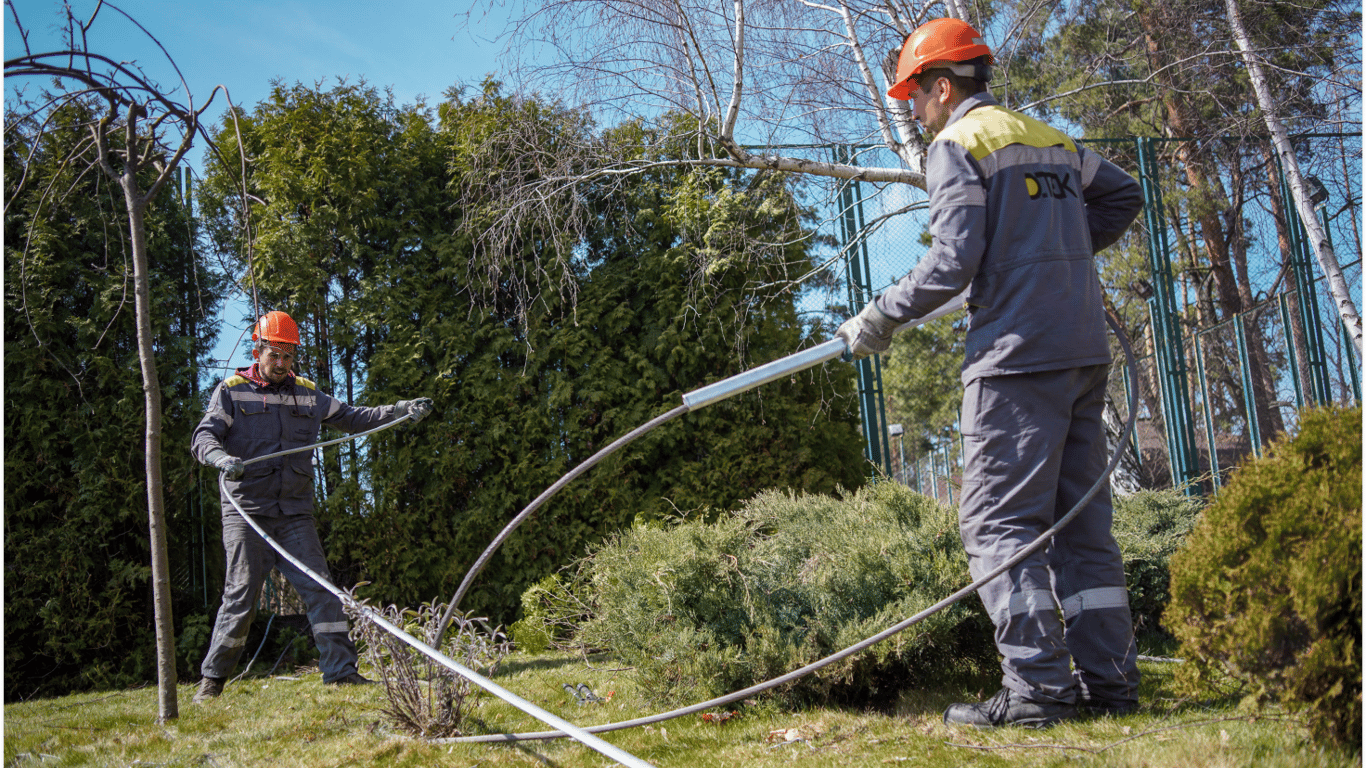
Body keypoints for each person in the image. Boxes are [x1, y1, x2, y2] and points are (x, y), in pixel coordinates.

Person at [837, 18, 1146, 728]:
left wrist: (879, 317)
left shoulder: (957, 146)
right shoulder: (1048, 138)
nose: (914, 112)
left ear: (943, 87)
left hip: (1015, 356)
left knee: (997, 523)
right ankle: (1109, 684)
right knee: (1081, 526)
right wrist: (1055, 252)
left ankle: (1038, 690)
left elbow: (952, 261)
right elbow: (1123, 195)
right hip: (1080, 350)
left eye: (916, 96)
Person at [190, 310, 433, 703]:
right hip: (247, 513)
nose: (282, 364)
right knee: (241, 597)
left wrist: (400, 410)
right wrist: (220, 459)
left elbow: (355, 418)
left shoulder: (307, 393)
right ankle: (212, 683)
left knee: (322, 591)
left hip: (294, 516)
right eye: (275, 355)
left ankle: (341, 674)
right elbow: (204, 436)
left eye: (288, 356)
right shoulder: (231, 391)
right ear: (259, 350)